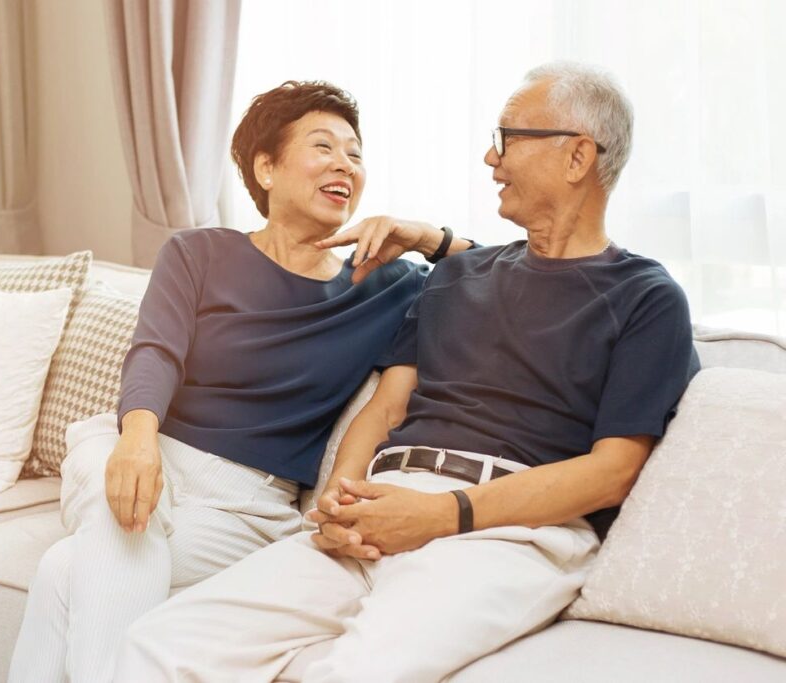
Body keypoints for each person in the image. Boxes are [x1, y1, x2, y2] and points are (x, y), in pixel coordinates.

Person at [109, 62, 700, 683]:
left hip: (503, 531)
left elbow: (614, 471)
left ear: (578, 156)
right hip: (380, 507)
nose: (489, 159)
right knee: (158, 645)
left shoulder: (646, 296)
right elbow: (387, 408)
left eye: (507, 139)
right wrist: (337, 503)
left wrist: (442, 515)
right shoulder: (456, 277)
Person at [7, 81, 472, 682]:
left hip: (245, 503)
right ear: (266, 168)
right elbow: (156, 351)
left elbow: (503, 273)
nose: (344, 165)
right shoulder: (198, 253)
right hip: (140, 444)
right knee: (114, 502)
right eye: (323, 146)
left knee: (64, 571)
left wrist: (425, 235)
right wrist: (138, 438)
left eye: (355, 154)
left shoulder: (389, 286)